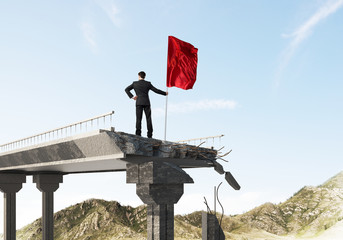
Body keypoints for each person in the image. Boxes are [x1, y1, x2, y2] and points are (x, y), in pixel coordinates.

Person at [125, 71, 168, 138]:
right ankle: (150, 135)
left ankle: (138, 134)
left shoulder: (135, 83)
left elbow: (126, 89)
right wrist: (164, 93)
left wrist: (132, 96)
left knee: (138, 118)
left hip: (139, 102)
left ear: (139, 76)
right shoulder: (148, 84)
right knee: (148, 118)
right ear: (145, 76)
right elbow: (156, 90)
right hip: (146, 102)